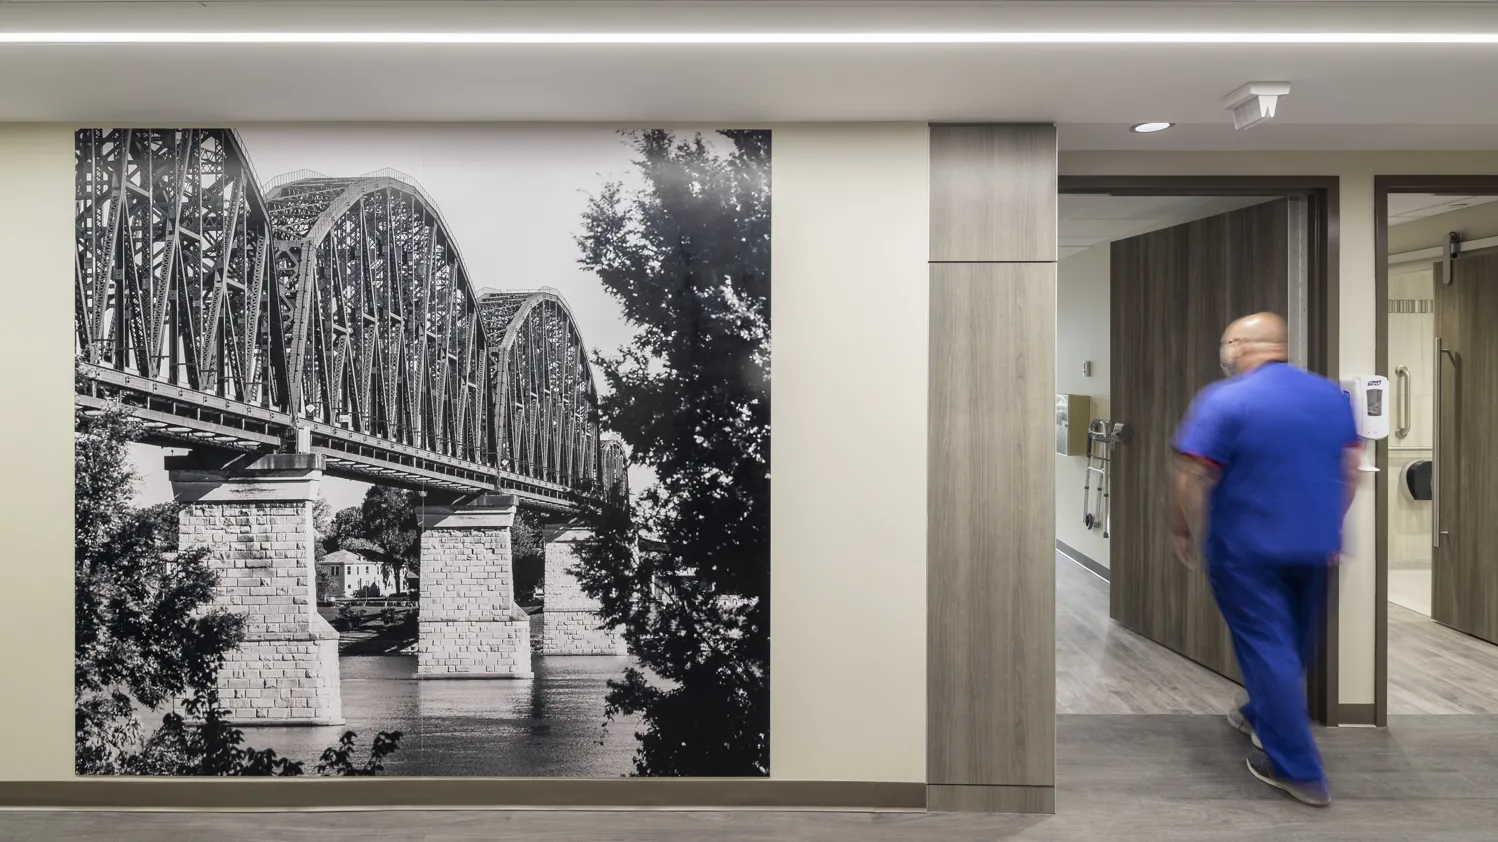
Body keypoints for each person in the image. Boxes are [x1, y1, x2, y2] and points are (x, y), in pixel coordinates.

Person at [1169, 312, 1361, 808]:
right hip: (1315, 545)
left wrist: (1181, 527)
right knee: (1292, 643)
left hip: (1246, 549)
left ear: (1236, 345)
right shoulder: (1328, 396)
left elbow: (1193, 473)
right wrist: (1330, 524)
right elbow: (1349, 469)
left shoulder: (1225, 398)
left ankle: (1297, 770)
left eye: (1225, 343)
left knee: (1267, 647)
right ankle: (1260, 712)